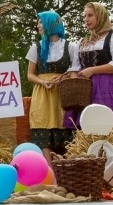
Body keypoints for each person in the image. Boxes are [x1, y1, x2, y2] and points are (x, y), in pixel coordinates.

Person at [25, 10, 79, 164]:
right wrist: (43, 82)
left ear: (51, 24)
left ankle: (67, 168)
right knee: (43, 130)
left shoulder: (70, 46)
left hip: (62, 94)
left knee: (65, 129)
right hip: (43, 93)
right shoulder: (36, 47)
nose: (38, 25)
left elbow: (75, 72)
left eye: (41, 22)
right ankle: (49, 170)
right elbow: (30, 75)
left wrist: (64, 77)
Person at [72, 2, 113, 127]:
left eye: (90, 15)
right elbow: (75, 67)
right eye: (85, 16)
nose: (86, 19)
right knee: (84, 125)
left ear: (100, 16)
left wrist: (92, 70)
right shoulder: (82, 42)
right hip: (85, 89)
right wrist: (75, 86)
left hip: (105, 86)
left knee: (104, 123)